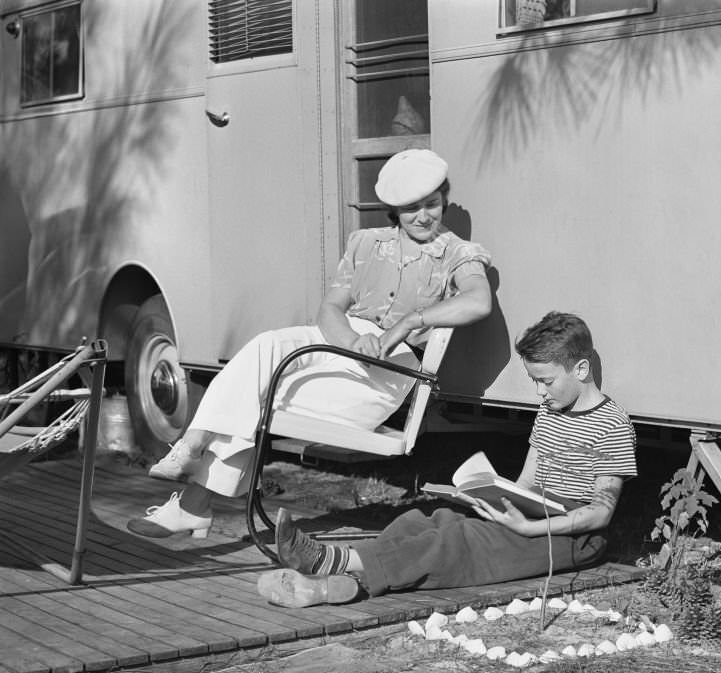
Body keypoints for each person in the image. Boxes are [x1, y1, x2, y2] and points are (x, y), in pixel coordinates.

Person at [127, 149, 493, 538]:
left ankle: (193, 501)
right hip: (338, 339)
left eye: (431, 204)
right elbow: (330, 309)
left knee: (252, 396)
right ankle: (192, 449)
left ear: (444, 200)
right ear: (394, 211)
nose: (423, 216)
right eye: (410, 208)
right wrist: (352, 340)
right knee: (266, 347)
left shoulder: (458, 253)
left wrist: (410, 322)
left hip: (390, 367)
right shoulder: (366, 243)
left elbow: (478, 300)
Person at [255, 311, 637, 608]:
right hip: (534, 511)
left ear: (580, 369)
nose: (539, 392)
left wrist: (528, 528)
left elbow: (600, 514)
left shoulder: (612, 425)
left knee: (457, 542)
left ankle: (328, 564)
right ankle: (344, 580)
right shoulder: (550, 412)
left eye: (546, 381)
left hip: (572, 535)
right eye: (535, 381)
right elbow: (526, 482)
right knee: (428, 520)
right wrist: (491, 497)